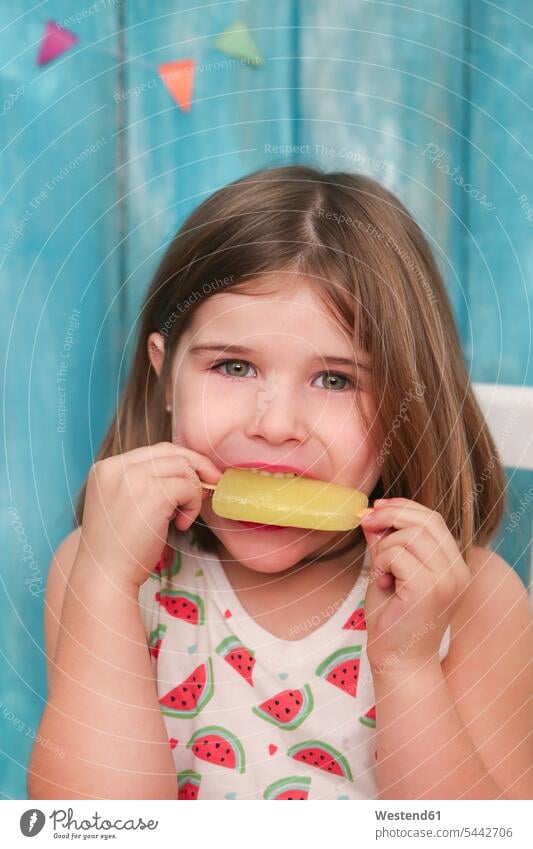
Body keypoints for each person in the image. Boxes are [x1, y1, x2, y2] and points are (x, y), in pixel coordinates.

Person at [29, 165, 533, 800]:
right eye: (233, 366)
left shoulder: (474, 599)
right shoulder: (102, 573)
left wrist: (407, 668)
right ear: (164, 378)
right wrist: (101, 587)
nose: (277, 425)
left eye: (336, 380)